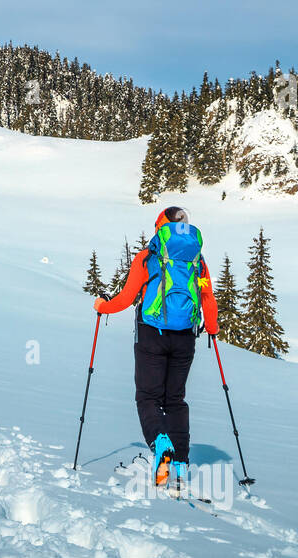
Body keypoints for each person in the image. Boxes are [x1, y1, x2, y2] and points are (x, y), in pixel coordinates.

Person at [93, 206, 218, 488]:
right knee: (175, 399)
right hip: (185, 336)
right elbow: (207, 297)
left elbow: (127, 297)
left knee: (148, 397)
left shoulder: (148, 256)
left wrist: (103, 306)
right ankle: (182, 464)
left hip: (152, 334)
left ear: (160, 227)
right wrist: (212, 328)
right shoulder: (197, 261)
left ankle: (160, 443)